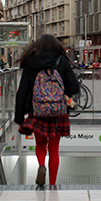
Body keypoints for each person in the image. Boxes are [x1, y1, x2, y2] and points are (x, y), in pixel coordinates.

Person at [14, 34, 79, 186]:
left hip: (37, 110)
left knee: (41, 144)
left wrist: (19, 117)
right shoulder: (61, 61)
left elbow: (22, 91)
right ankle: (52, 184)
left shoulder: (31, 62)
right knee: (54, 149)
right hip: (59, 111)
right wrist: (65, 94)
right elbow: (74, 87)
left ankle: (41, 165)